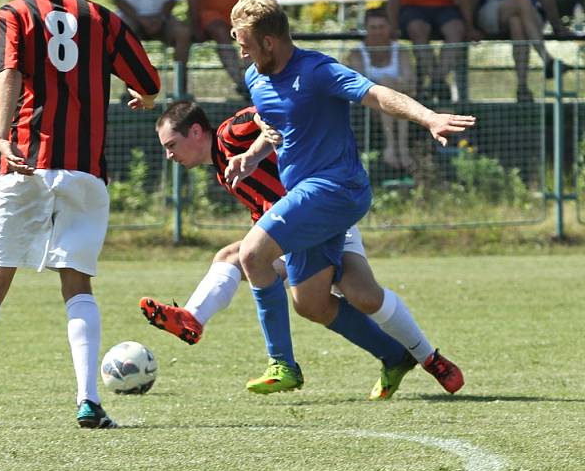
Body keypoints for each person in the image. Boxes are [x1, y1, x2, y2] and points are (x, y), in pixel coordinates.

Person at [0, 0, 160, 431]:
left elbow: (9, 71)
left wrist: (1, 135)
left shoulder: (12, 14)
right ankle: (88, 401)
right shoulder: (103, 18)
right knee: (77, 284)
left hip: (24, 162)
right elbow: (149, 83)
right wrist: (143, 99)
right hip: (83, 167)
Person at [226, 0, 474, 396]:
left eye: (246, 45)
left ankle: (282, 364)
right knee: (314, 302)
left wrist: (428, 117)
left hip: (336, 187)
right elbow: (276, 127)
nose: (241, 55)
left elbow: (377, 94)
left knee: (252, 254)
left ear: (269, 41)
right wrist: (253, 155)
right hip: (307, 197)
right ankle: (402, 356)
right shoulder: (256, 77)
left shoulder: (318, 71)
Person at [143, 101, 460, 399]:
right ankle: (394, 357)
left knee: (363, 295)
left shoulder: (226, 137)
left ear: (196, 132)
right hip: (294, 236)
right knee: (310, 304)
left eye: (171, 145)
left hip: (322, 216)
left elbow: (258, 112)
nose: (169, 155)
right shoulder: (221, 166)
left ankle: (429, 359)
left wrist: (263, 126)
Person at [347, 8, 417, 171]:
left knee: (390, 90)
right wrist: (388, 87)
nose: (377, 31)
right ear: (366, 28)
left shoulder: (401, 50)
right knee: (387, 89)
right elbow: (360, 85)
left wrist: (388, 86)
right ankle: (399, 148)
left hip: (401, 105)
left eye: (381, 27)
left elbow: (411, 83)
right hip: (370, 107)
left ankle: (394, 148)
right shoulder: (356, 53)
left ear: (389, 28)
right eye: (373, 27)